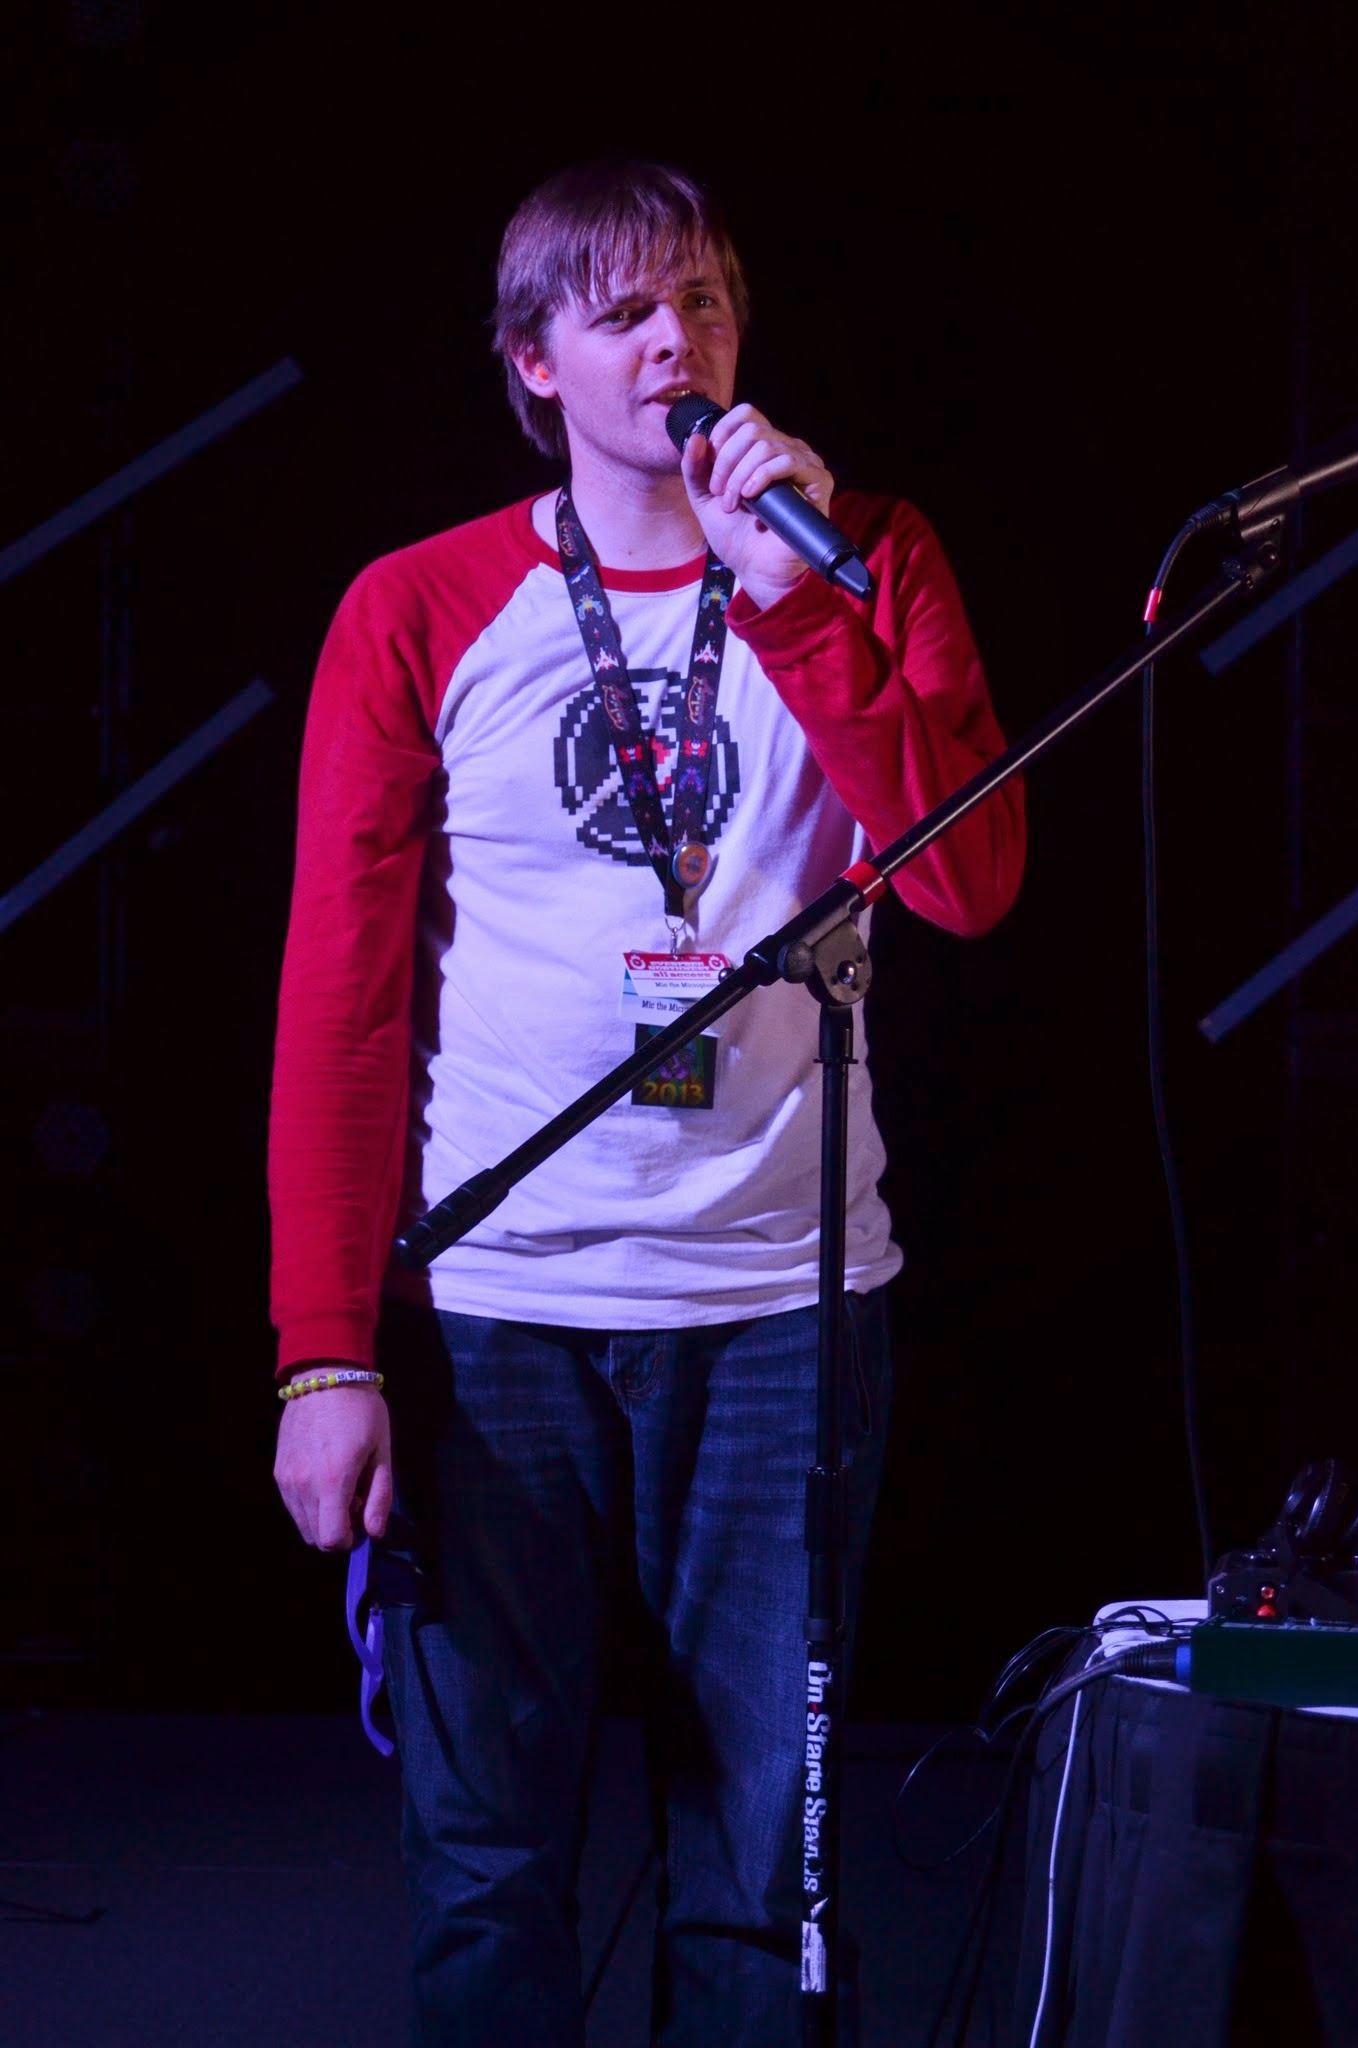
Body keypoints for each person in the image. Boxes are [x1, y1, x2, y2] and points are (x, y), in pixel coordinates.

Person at [270, 157, 1025, 2047]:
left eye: (699, 301)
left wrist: (790, 606)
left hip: (781, 1306)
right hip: (496, 1308)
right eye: (622, 313)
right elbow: (341, 1003)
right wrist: (321, 1353)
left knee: (761, 1866)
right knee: (487, 1861)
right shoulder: (419, 605)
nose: (674, 342)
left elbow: (967, 879)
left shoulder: (865, 555)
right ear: (535, 363)